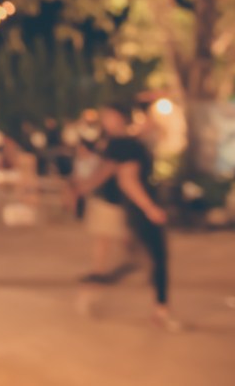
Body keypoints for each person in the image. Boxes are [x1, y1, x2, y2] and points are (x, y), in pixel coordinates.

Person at [72, 104, 179, 331]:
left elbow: (111, 171)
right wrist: (150, 208)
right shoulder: (121, 144)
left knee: (136, 260)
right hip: (116, 205)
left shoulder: (128, 143)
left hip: (124, 206)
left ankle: (157, 307)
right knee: (129, 260)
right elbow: (121, 177)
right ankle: (93, 292)